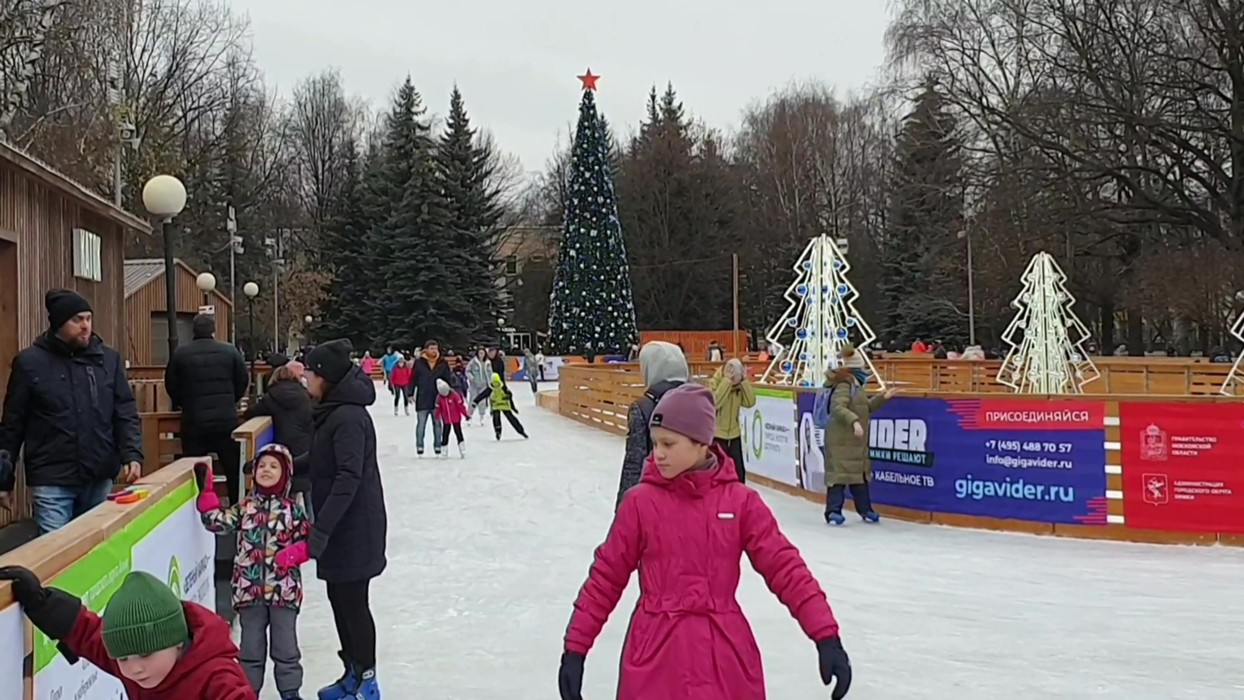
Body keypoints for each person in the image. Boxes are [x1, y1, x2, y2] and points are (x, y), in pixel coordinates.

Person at [556, 384, 852, 700]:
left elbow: (786, 569)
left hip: (725, 658)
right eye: (656, 443)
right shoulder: (640, 504)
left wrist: (825, 635)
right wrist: (576, 648)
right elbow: (606, 578)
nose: (658, 454)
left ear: (701, 443)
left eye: (669, 443)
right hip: (655, 656)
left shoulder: (740, 503)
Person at [0, 289, 142, 533]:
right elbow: (13, 424)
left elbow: (124, 411)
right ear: (58, 323)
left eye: (88, 318)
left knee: (97, 549)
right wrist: (4, 478)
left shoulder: (108, 360)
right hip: (51, 476)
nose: (85, 326)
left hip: (99, 473)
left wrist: (132, 454)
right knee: (56, 553)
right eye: (77, 320)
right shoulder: (30, 363)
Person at [0, 567, 253, 698]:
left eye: (145, 655)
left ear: (176, 642)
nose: (134, 669)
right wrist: (41, 602)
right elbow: (88, 634)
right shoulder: (138, 661)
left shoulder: (217, 676)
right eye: (123, 659)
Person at [302, 339, 386, 699]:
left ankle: (367, 680)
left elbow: (347, 477)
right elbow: (323, 461)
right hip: (340, 526)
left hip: (355, 527)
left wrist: (321, 530)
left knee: (353, 603)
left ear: (325, 377)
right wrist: (278, 466)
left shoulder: (348, 417)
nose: (305, 378)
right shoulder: (333, 411)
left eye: (309, 372)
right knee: (339, 598)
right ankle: (351, 671)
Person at [197, 444, 309, 699]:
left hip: (283, 592)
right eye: (262, 466)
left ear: (285, 474)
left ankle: (290, 692)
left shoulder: (293, 510)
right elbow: (218, 522)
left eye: (274, 466)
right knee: (250, 650)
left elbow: (310, 540)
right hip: (249, 593)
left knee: (286, 649)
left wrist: (295, 554)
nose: (266, 470)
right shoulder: (245, 508)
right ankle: (247, 693)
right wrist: (207, 496)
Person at [166, 313, 250, 505]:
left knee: (195, 468)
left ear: (193, 331)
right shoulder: (230, 352)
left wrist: (183, 403)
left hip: (194, 421)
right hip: (225, 419)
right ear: (213, 330)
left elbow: (171, 384)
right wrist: (231, 401)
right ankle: (236, 507)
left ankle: (198, 509)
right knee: (232, 468)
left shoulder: (180, 354)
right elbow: (242, 380)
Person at [814, 344, 896, 525]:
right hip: (840, 439)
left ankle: (865, 510)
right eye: (862, 367)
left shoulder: (856, 385)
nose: (865, 371)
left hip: (853, 441)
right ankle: (833, 511)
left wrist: (883, 398)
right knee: (839, 476)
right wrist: (854, 422)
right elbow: (838, 407)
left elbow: (864, 408)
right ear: (855, 368)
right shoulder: (844, 384)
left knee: (859, 476)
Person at [614, 341, 688, 509]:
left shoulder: (643, 407)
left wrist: (623, 509)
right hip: (694, 497)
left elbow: (635, 463)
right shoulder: (700, 401)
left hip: (656, 499)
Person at [241, 362, 313, 507]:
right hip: (306, 447)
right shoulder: (306, 395)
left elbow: (251, 413)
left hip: (284, 447)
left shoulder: (271, 398)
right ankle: (311, 524)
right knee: (307, 493)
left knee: (288, 493)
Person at [711, 358, 756, 482]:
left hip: (734, 435)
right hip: (718, 436)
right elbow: (715, 403)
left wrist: (744, 382)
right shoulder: (716, 382)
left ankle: (740, 498)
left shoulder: (739, 385)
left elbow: (750, 402)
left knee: (739, 474)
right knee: (718, 474)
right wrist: (726, 382)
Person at [412, 340, 452, 456]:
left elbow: (448, 379)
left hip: (437, 398)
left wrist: (449, 392)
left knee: (437, 423)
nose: (434, 351)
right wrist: (410, 393)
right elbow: (413, 378)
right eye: (431, 348)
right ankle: (420, 446)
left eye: (436, 348)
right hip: (423, 397)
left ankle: (438, 446)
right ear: (426, 349)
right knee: (421, 424)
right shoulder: (419, 362)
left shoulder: (442, 362)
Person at [472, 373, 527, 440]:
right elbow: (510, 396)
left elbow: (482, 395)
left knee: (498, 418)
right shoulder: (500, 388)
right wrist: (513, 407)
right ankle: (520, 431)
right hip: (500, 405)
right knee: (508, 417)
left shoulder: (498, 388)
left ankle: (498, 431)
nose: (496, 385)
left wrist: (475, 401)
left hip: (500, 405)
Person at [435, 378, 469, 458]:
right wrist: (437, 416)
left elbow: (460, 406)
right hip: (446, 419)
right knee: (445, 434)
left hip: (456, 418)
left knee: (458, 432)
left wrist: (466, 414)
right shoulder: (439, 398)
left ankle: (462, 449)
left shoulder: (454, 395)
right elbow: (438, 408)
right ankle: (444, 450)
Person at [466, 348, 492, 425]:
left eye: (483, 353)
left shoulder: (487, 362)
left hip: (484, 385)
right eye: (480, 353)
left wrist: (490, 382)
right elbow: (467, 371)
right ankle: (469, 416)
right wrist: (472, 378)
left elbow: (490, 372)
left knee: (482, 402)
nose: (481, 355)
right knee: (473, 400)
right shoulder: (473, 362)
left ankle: (482, 416)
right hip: (474, 385)